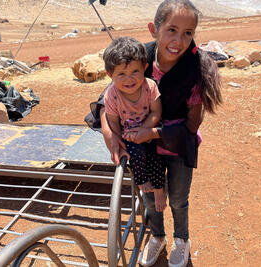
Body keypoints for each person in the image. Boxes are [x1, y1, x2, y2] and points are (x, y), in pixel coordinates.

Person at [95, 1, 223, 266]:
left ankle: (181, 239)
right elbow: (107, 100)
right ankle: (157, 236)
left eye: (188, 32)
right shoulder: (137, 59)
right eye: (172, 30)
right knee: (150, 197)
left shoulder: (195, 68)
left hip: (177, 144)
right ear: (154, 29)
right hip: (143, 146)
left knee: (177, 198)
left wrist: (151, 133)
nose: (179, 40)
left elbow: (191, 124)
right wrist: (109, 133)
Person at [102, 36, 167, 212]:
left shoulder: (150, 86)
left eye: (135, 72)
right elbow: (113, 121)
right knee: (135, 156)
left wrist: (146, 130)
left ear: (145, 67)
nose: (129, 79)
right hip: (129, 135)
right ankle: (142, 181)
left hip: (149, 128)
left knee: (157, 157)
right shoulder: (112, 95)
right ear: (110, 75)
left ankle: (160, 189)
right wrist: (119, 139)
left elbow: (156, 112)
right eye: (121, 74)